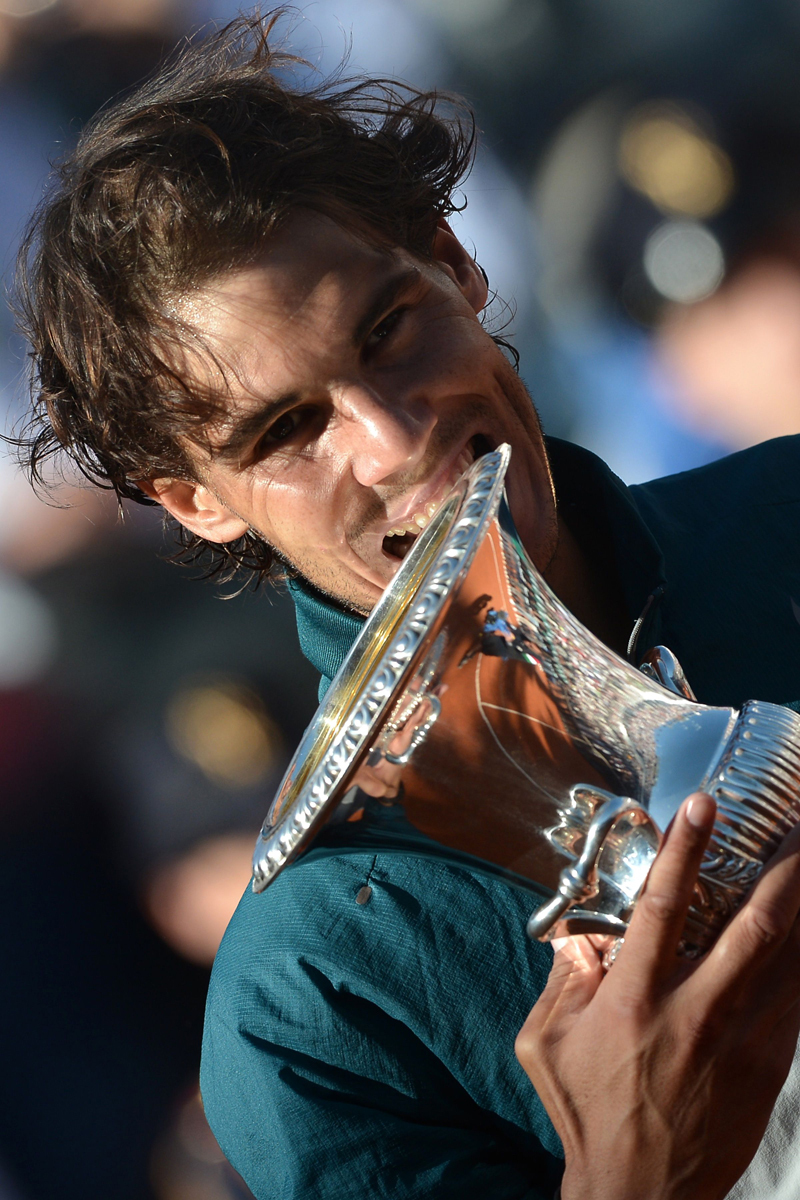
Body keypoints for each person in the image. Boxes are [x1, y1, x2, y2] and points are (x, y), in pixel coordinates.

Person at [12, 14, 800, 1200]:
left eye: (389, 330)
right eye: (286, 431)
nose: (391, 440)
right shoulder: (311, 998)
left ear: (456, 261)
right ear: (190, 500)